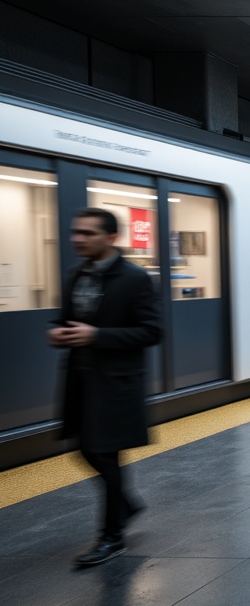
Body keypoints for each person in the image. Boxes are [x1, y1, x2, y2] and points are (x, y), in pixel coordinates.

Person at [49, 208, 162, 567]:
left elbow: (151, 331)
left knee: (104, 454)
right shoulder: (74, 275)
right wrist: (58, 332)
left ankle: (112, 537)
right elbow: (66, 320)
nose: (78, 239)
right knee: (84, 451)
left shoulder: (134, 279)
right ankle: (126, 505)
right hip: (80, 381)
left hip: (115, 384)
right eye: (75, 232)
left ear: (111, 238)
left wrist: (96, 336)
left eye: (87, 233)